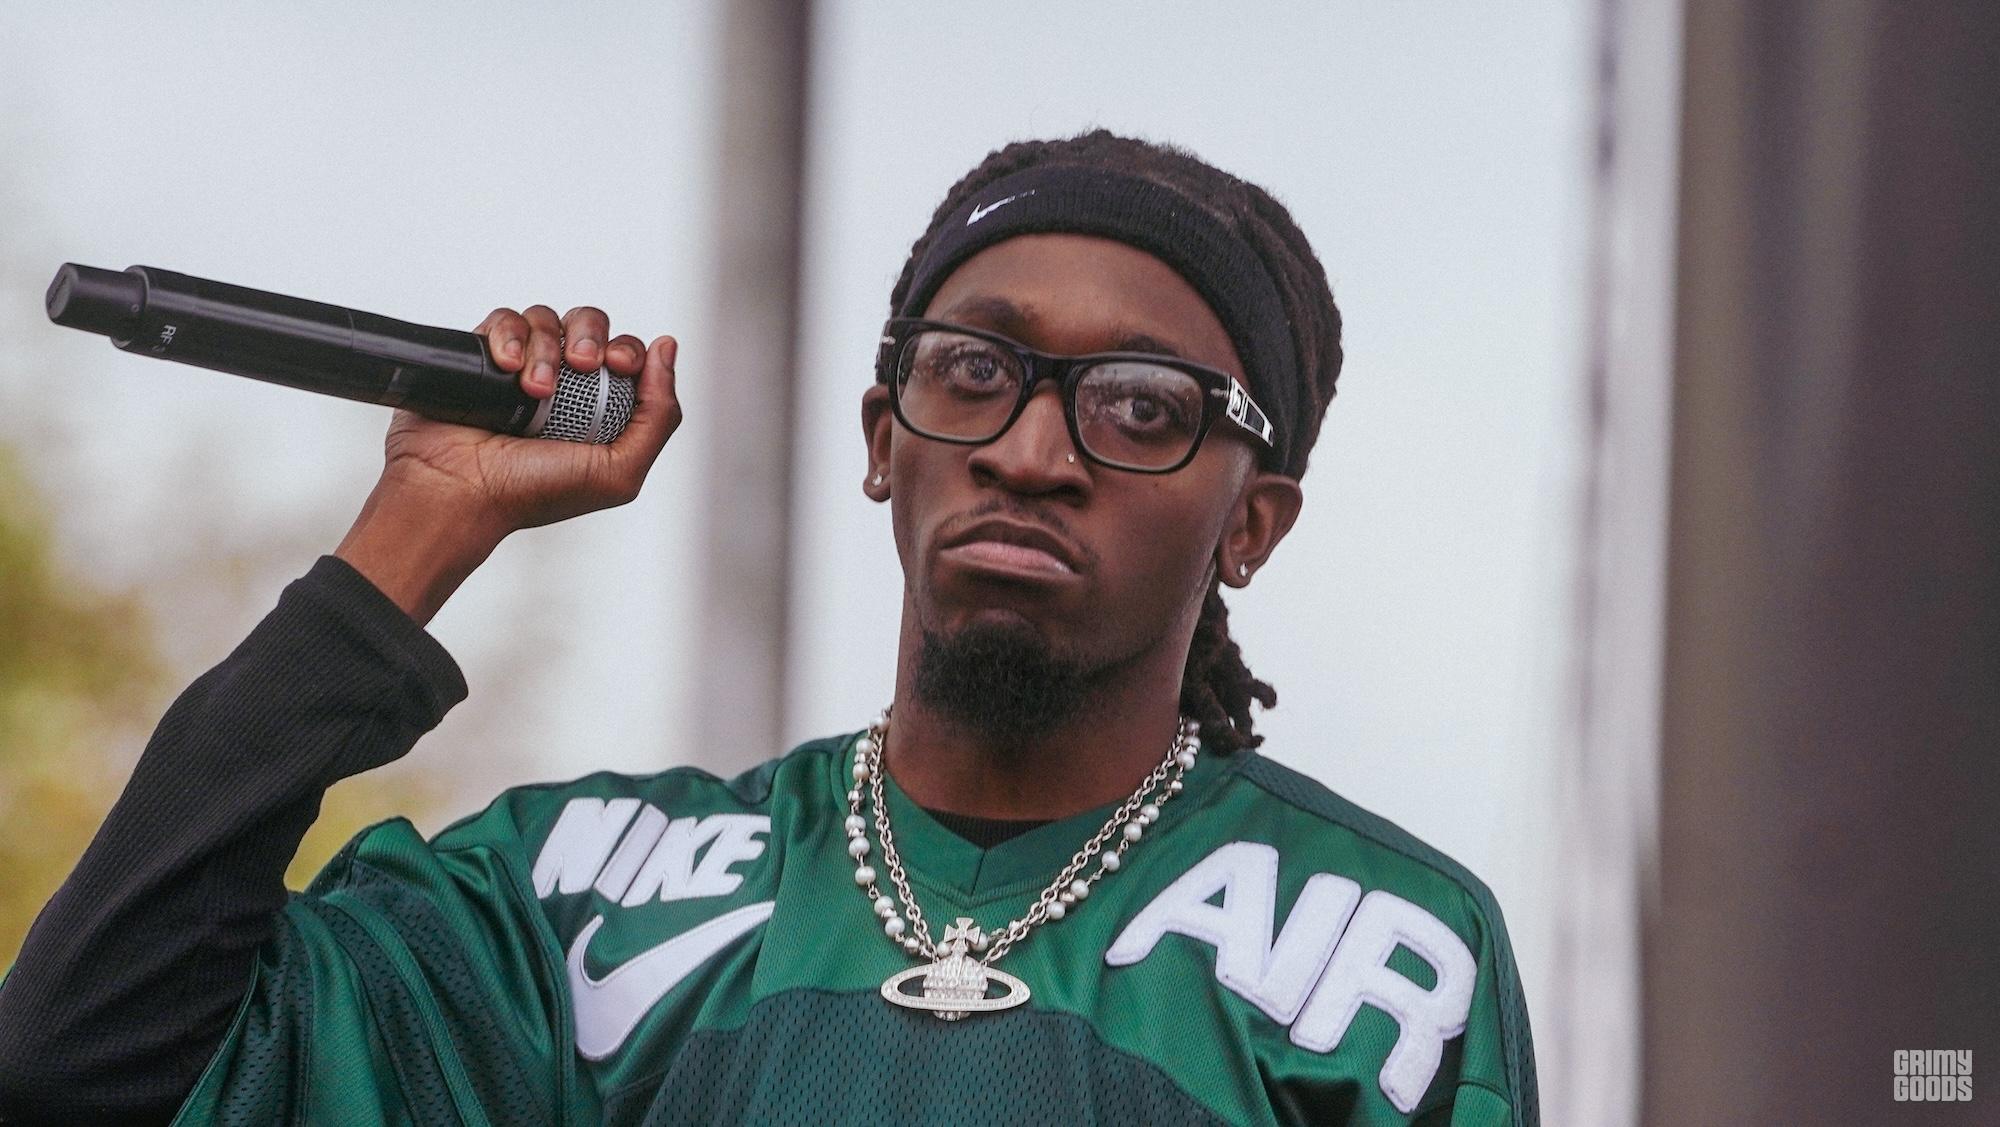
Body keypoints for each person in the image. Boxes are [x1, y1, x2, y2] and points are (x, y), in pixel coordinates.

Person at [0, 131, 1537, 1125]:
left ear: (1252, 522)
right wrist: (421, 523)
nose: (1030, 450)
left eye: (1143, 405)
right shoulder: (573, 901)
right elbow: (83, 1066)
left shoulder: (1383, 952)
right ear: (884, 438)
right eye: (974, 370)